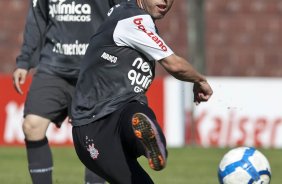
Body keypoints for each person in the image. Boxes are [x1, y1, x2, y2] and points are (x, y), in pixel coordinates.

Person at [71, 0, 213, 183]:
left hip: (122, 111)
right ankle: (151, 143)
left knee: (136, 112)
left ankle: (151, 142)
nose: (165, 1)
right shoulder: (133, 20)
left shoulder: (128, 15)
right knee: (136, 113)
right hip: (94, 126)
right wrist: (200, 79)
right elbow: (174, 65)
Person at [12, 0, 126, 183]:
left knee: (95, 139)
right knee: (32, 126)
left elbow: (124, 15)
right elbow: (37, 20)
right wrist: (24, 61)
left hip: (95, 70)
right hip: (53, 68)